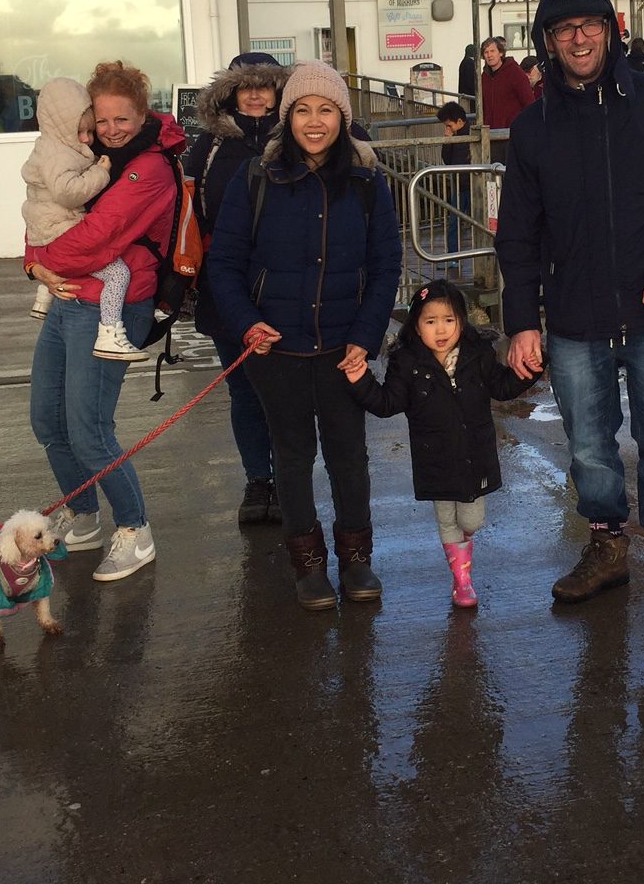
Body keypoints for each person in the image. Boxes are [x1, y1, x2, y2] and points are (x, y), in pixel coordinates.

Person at [496, 0, 644, 632]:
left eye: (590, 25)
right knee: (591, 449)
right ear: (546, 42)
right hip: (573, 320)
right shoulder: (532, 128)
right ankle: (605, 547)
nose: (578, 37)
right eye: (563, 28)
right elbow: (517, 236)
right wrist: (520, 322)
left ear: (611, 30)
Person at [207, 60, 403, 610]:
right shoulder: (257, 178)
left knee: (349, 458)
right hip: (277, 350)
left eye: (326, 110)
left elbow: (388, 264)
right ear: (285, 116)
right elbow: (223, 263)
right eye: (302, 110)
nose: (314, 122)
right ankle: (308, 564)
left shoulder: (366, 182)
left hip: (345, 349)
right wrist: (247, 322)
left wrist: (367, 334)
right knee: (291, 459)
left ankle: (357, 558)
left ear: (342, 117)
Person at [26, 60, 183, 583]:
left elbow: (97, 238)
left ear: (143, 113)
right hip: (69, 296)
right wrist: (31, 261)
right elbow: (42, 210)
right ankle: (85, 515)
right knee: (48, 421)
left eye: (123, 118)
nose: (112, 129)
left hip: (112, 304)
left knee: (90, 431)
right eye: (102, 119)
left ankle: (135, 530)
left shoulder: (149, 169)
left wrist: (45, 261)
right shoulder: (90, 155)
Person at [343, 280, 538, 608]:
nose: (441, 329)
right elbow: (387, 403)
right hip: (434, 459)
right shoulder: (406, 363)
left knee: (471, 521)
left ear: (461, 322)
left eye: (449, 320)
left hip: (474, 457)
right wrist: (360, 380)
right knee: (447, 519)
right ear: (416, 327)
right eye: (430, 321)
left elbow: (503, 387)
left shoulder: (478, 354)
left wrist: (529, 370)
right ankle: (462, 580)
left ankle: (463, 556)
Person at [185, 51, 291, 526]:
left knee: (287, 393)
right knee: (244, 392)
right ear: (228, 92)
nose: (253, 94)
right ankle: (258, 481)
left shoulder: (297, 136)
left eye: (264, 86)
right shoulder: (208, 146)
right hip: (224, 288)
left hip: (287, 287)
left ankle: (290, 479)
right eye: (244, 86)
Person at [20, 77, 146, 361]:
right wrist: (100, 173)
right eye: (85, 130)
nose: (89, 138)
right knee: (117, 273)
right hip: (60, 232)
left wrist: (36, 264)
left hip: (48, 231)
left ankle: (45, 295)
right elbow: (69, 195)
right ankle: (110, 332)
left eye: (89, 131)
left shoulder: (51, 146)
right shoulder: (61, 155)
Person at [478, 37, 534, 165]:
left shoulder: (515, 73)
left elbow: (529, 102)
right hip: (490, 136)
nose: (489, 55)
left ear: (501, 53)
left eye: (492, 51)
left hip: (511, 135)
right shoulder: (483, 77)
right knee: (493, 175)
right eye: (486, 52)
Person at [436, 100, 472, 270]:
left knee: (480, 222)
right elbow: (447, 160)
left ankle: (486, 256)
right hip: (459, 184)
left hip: (473, 184)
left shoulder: (472, 133)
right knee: (453, 223)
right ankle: (453, 257)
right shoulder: (454, 136)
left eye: (449, 125)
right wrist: (447, 142)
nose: (447, 129)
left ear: (459, 121)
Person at [457, 43, 479, 109]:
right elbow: (470, 80)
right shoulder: (469, 63)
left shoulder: (464, 62)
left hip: (463, 93)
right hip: (469, 95)